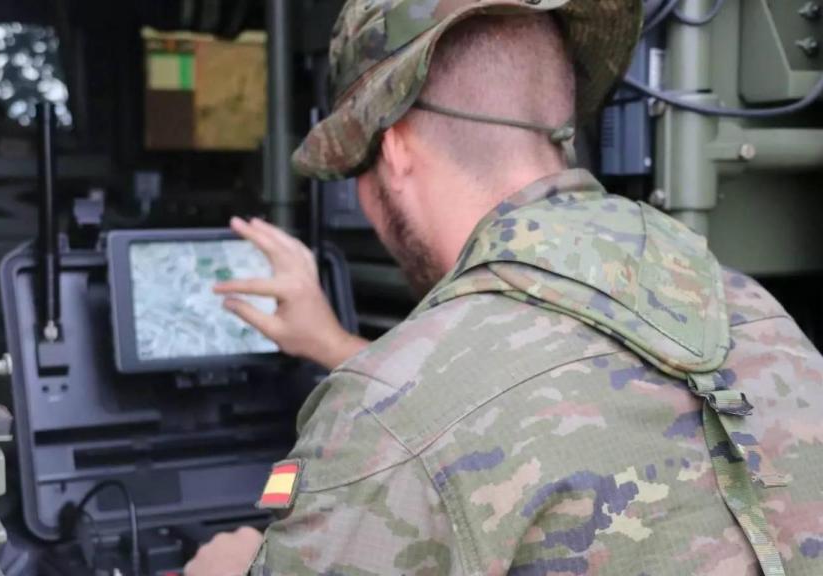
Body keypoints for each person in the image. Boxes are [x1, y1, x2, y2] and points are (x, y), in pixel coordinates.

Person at [187, 0, 823, 574]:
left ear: (399, 149)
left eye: (358, 165)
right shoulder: (754, 311)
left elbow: (448, 419)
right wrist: (333, 343)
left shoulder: (388, 413)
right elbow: (558, 387)